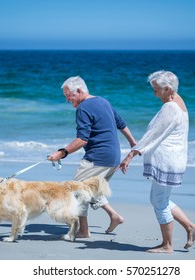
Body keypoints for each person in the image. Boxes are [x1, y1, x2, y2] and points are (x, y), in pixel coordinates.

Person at [120, 70, 195, 253]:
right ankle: (190, 227)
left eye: (156, 90)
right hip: (175, 159)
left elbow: (152, 135)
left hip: (167, 160)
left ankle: (167, 245)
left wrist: (130, 156)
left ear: (167, 89)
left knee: (159, 201)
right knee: (160, 199)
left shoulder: (170, 107)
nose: (154, 94)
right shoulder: (179, 100)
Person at [48, 76, 136, 238]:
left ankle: (83, 231)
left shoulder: (83, 108)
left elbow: (82, 139)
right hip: (113, 157)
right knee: (92, 190)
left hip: (98, 157)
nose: (67, 100)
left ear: (80, 91)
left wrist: (61, 153)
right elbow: (121, 124)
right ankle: (114, 216)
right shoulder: (103, 101)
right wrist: (133, 144)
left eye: (69, 95)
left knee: (77, 191)